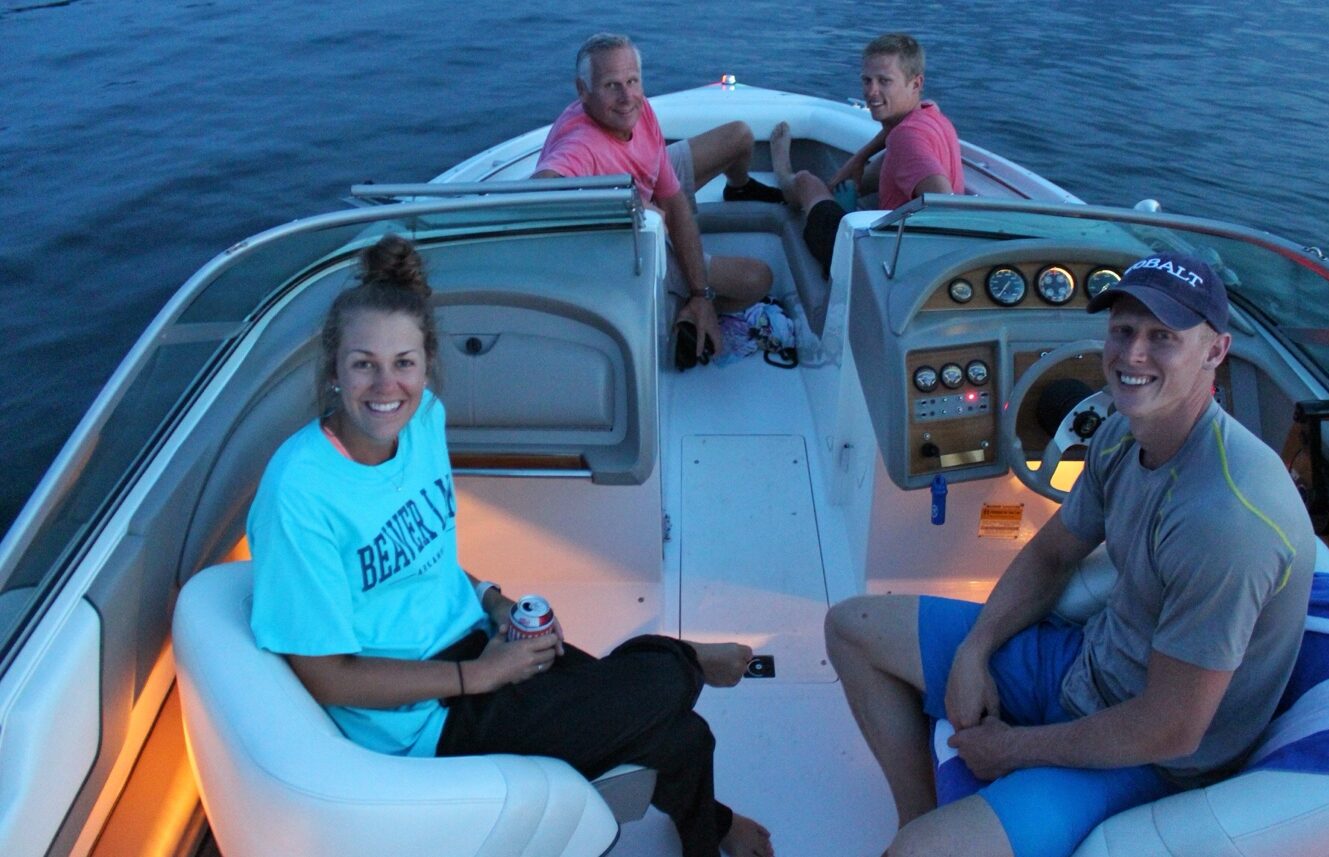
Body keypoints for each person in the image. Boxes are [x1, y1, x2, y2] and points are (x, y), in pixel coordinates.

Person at [247, 234, 775, 857]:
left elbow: (428, 559)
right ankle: (682, 657)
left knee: (687, 736)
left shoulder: (421, 422)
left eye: (404, 363)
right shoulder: (299, 492)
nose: (386, 384)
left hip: (479, 643)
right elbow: (327, 677)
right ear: (334, 368)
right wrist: (477, 676)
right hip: (423, 720)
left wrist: (492, 601)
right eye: (364, 363)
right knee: (661, 687)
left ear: (427, 363)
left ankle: (711, 831)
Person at [824, 252, 1316, 857]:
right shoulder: (1119, 434)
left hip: (1151, 755)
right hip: (1087, 664)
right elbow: (1051, 555)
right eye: (1123, 331)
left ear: (1215, 351)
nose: (1133, 355)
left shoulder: (1227, 521)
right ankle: (918, 816)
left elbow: (1172, 728)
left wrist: (1010, 751)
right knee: (851, 627)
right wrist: (975, 652)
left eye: (1163, 337)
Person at [532, 32, 777, 359]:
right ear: (583, 91)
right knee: (758, 279)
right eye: (611, 85)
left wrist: (701, 292)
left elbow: (672, 200)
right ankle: (677, 313)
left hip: (648, 193)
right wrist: (620, 202)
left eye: (632, 81)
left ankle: (739, 188)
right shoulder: (581, 145)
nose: (626, 96)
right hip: (631, 237)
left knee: (739, 136)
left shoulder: (638, 109)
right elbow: (541, 190)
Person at [770, 33, 963, 276]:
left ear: (916, 84)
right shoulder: (930, 113)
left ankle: (783, 172)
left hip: (871, 263)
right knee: (857, 179)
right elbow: (898, 130)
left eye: (884, 81)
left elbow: (943, 202)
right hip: (902, 258)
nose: (871, 92)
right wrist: (859, 159)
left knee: (806, 181)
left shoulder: (906, 138)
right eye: (867, 80)